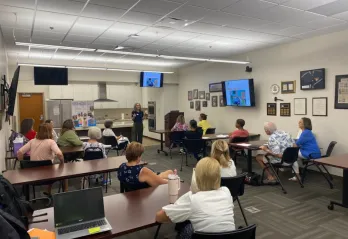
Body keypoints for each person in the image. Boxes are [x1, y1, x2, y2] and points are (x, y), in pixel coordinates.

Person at [156, 157, 235, 238]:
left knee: (185, 226)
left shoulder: (193, 198)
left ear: (196, 177)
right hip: (230, 237)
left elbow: (159, 217)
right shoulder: (226, 192)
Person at [17, 123, 65, 195]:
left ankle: (46, 192)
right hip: (49, 177)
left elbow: (19, 152)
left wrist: (22, 164)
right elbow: (59, 154)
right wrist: (62, 163)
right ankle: (59, 194)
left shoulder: (32, 141)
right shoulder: (51, 142)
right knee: (56, 169)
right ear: (50, 132)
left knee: (50, 168)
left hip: (33, 177)